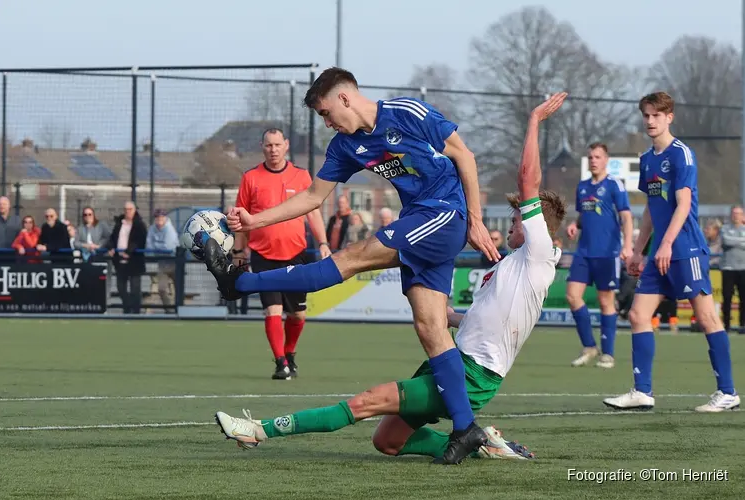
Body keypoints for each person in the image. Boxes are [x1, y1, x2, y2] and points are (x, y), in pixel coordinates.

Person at [212, 92, 569, 462]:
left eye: (326, 112)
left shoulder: (539, 253)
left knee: (350, 264)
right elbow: (313, 197)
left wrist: (531, 126)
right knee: (401, 404)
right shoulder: (507, 266)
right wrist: (256, 220)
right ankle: (473, 436)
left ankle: (242, 292)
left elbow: (487, 163)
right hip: (452, 343)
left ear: (344, 98)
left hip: (443, 217)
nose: (327, 122)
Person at [603, 92, 739, 413]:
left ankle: (728, 392)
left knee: (706, 318)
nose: (650, 121)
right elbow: (651, 210)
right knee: (638, 315)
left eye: (656, 115)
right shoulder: (647, 159)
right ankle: (642, 391)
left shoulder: (681, 155)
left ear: (669, 117)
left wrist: (665, 244)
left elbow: (684, 204)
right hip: (658, 255)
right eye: (646, 116)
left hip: (686, 250)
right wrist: (639, 250)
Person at [232, 128, 331, 380]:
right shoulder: (251, 178)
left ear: (286, 145)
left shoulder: (300, 176)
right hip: (263, 256)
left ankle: (290, 353)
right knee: (272, 310)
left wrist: (323, 242)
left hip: (295, 255)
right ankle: (280, 363)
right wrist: (238, 250)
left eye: (277, 145)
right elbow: (240, 217)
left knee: (297, 314)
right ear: (262, 146)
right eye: (268, 145)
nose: (273, 150)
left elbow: (313, 212)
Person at [565, 143, 633, 369]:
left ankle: (608, 354)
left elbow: (626, 216)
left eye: (598, 157)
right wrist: (575, 225)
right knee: (572, 296)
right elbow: (583, 214)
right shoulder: (583, 186)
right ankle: (589, 347)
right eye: (591, 157)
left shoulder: (614, 184)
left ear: (606, 159)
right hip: (584, 251)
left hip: (607, 252)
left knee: (606, 301)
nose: (593, 160)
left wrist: (628, 245)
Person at [107, 201, 148, 314]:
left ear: (134, 210)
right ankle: (127, 307)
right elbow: (112, 238)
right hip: (120, 261)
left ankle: (136, 311)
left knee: (135, 288)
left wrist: (128, 252)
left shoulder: (139, 225)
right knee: (121, 287)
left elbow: (139, 240)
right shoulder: (119, 224)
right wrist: (111, 248)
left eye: (130, 209)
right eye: (126, 209)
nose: (127, 211)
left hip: (134, 261)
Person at [146, 208, 179, 314]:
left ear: (165, 218)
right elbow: (148, 247)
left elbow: (168, 247)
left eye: (161, 217)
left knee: (179, 288)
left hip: (175, 262)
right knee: (161, 289)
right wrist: (159, 247)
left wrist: (156, 247)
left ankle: (179, 309)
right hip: (162, 264)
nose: (159, 219)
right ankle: (169, 310)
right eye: (157, 217)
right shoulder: (152, 229)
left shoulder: (170, 229)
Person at [720, 205, 745, 333]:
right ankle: (726, 325)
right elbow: (726, 241)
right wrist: (741, 242)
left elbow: (732, 242)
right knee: (727, 297)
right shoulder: (725, 229)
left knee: (743, 298)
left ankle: (742, 325)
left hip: (743, 268)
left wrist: (735, 241)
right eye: (734, 213)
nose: (736, 216)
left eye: (739, 213)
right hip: (728, 268)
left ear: (743, 216)